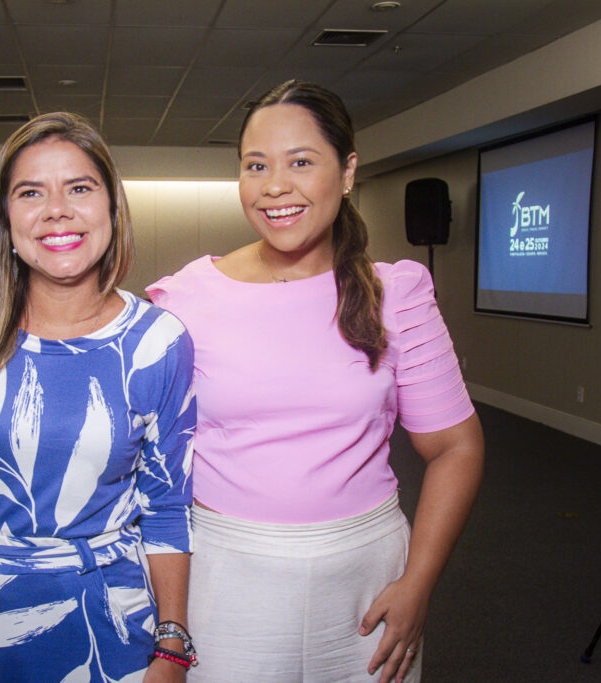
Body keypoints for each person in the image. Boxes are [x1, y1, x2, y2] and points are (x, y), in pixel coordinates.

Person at [147, 80, 484, 683]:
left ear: (348, 170)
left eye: (301, 161)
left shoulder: (394, 293)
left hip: (367, 575)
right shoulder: (186, 299)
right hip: (227, 574)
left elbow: (457, 447)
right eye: (256, 166)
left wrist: (419, 583)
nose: (275, 185)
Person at [0, 112, 197, 682]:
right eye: (31, 192)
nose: (58, 209)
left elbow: (166, 507)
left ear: (111, 207)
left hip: (108, 627)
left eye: (79, 188)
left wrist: (172, 644)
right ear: (6, 218)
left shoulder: (159, 342)